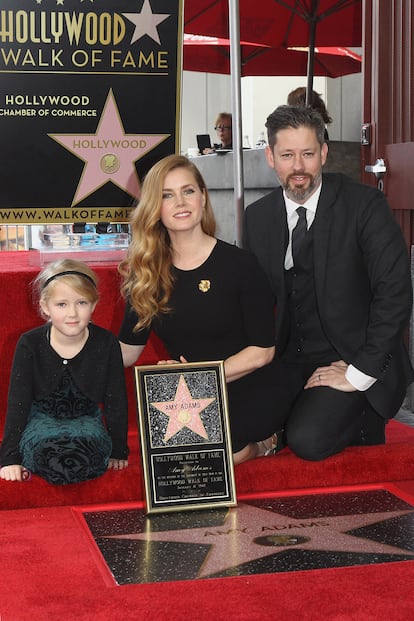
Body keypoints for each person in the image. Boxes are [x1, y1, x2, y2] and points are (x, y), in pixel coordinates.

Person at [243, 104, 414, 461]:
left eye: (308, 153)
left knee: (309, 440)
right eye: (287, 155)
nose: (299, 167)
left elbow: (394, 292)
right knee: (238, 422)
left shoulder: (365, 204)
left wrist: (357, 373)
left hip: (351, 356)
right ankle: (284, 426)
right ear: (270, 157)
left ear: (323, 152)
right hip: (289, 359)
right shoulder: (257, 217)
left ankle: (365, 415)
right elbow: (250, 297)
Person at [118, 154, 283, 464]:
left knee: (208, 450)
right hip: (190, 394)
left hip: (248, 385)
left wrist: (197, 376)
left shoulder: (240, 264)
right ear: (155, 207)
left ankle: (265, 443)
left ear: (203, 197)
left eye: (188, 191)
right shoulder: (147, 273)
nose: (180, 202)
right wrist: (70, 349)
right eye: (167, 195)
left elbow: (263, 352)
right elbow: (127, 351)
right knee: (183, 448)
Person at [0, 259, 129, 484]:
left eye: (81, 302)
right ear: (45, 307)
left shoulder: (106, 343)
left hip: (86, 421)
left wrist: (118, 450)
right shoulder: (29, 344)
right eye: (62, 304)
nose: (72, 313)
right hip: (42, 421)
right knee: (47, 450)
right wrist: (9, 458)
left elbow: (116, 400)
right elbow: (18, 402)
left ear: (94, 304)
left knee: (86, 449)